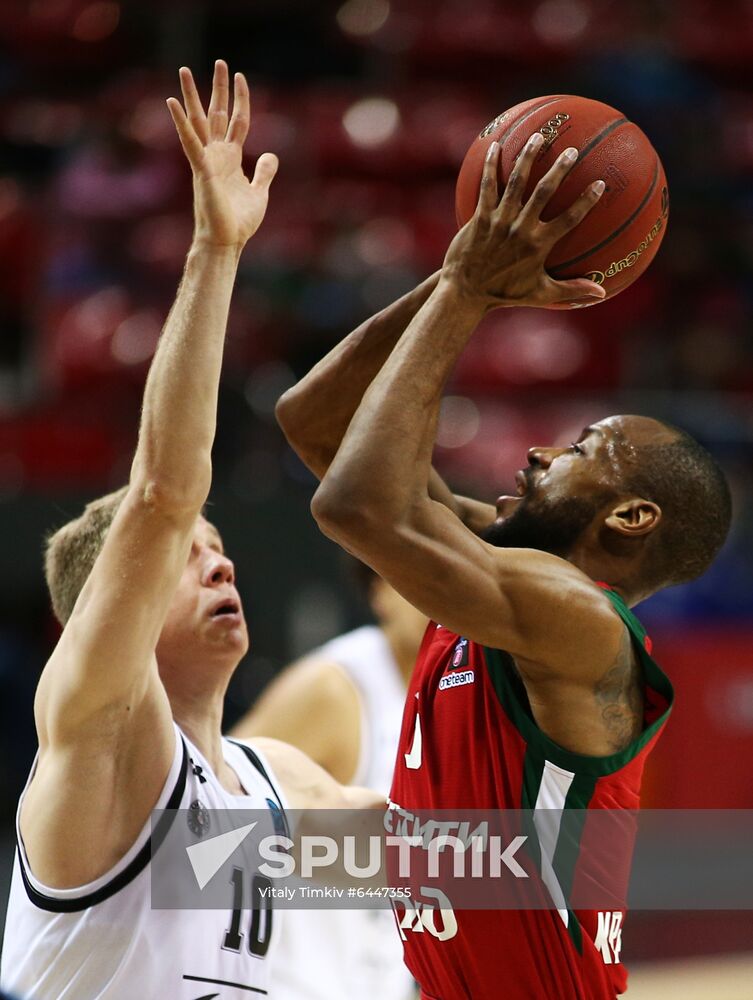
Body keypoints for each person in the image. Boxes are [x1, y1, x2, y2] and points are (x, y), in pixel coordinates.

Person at [275, 134, 732, 999]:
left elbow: (353, 506)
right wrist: (462, 277)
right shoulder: (506, 572)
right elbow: (313, 424)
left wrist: (466, 292)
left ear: (630, 516)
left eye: (579, 449)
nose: (534, 450)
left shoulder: (575, 623)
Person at [0, 61, 380, 1000]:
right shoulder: (102, 741)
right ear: (108, 606)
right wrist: (215, 249)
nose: (221, 566)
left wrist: (460, 290)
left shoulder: (259, 795)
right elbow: (165, 490)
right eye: (191, 559)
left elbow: (457, 860)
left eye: (219, 551)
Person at [232, 562, 426, 1000]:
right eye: (424, 578)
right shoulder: (331, 689)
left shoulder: (450, 697)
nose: (440, 599)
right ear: (379, 592)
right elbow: (196, 825)